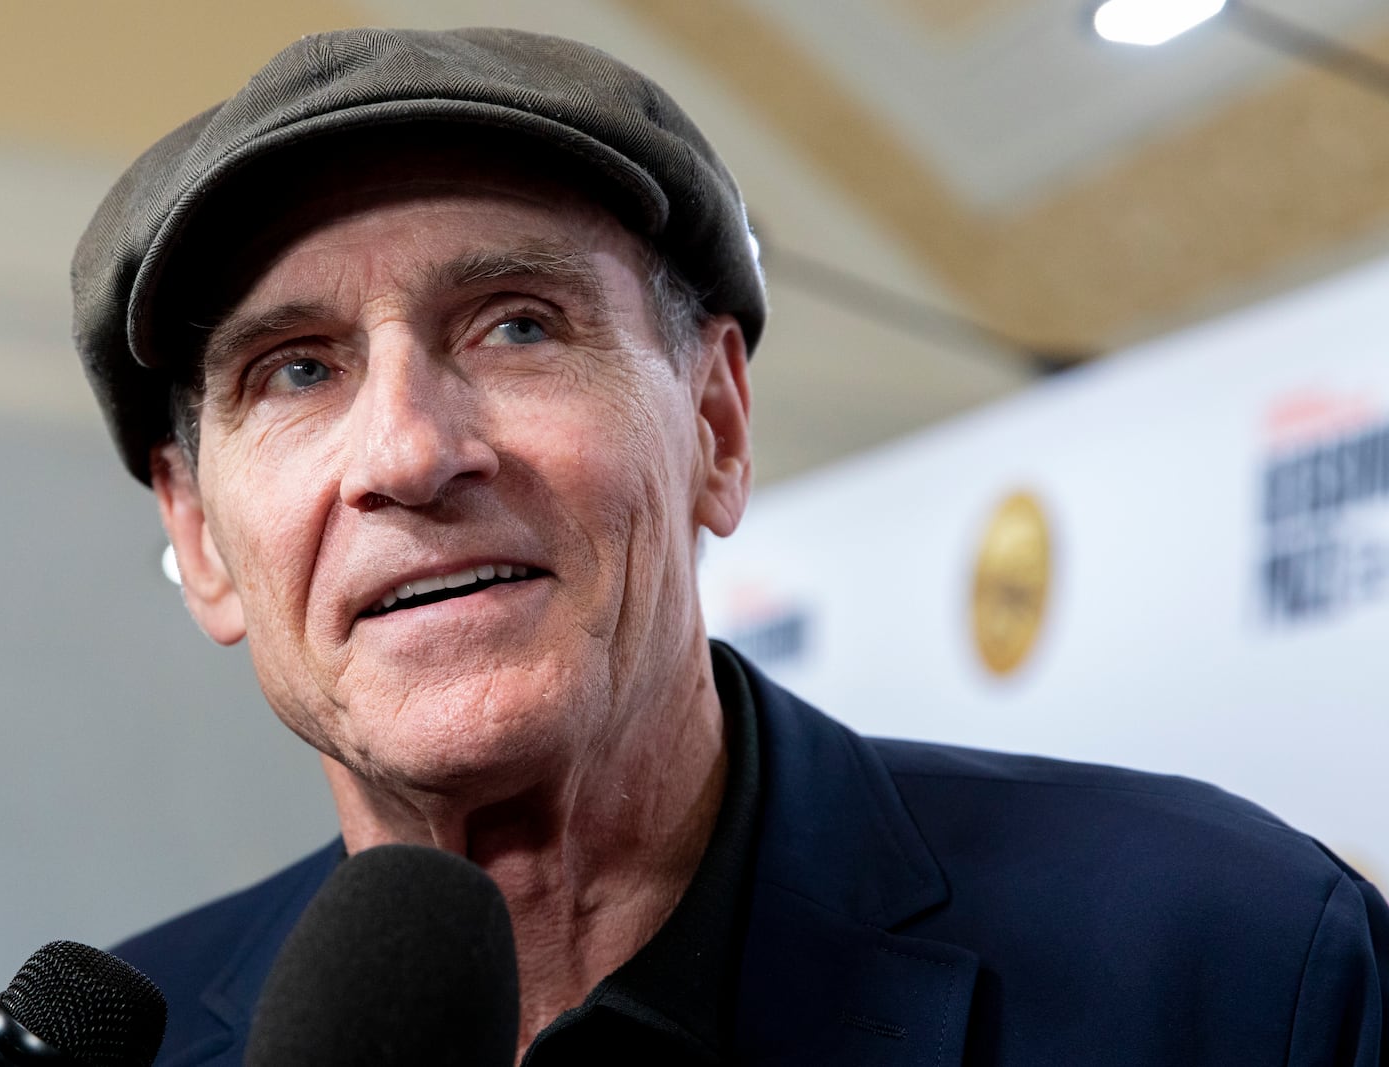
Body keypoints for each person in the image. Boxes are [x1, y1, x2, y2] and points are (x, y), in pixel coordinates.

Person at [71, 27, 1387, 1066]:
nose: (411, 453)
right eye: (296, 371)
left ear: (714, 424)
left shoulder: (1236, 964)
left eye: (516, 326)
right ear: (199, 536)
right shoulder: (133, 1040)